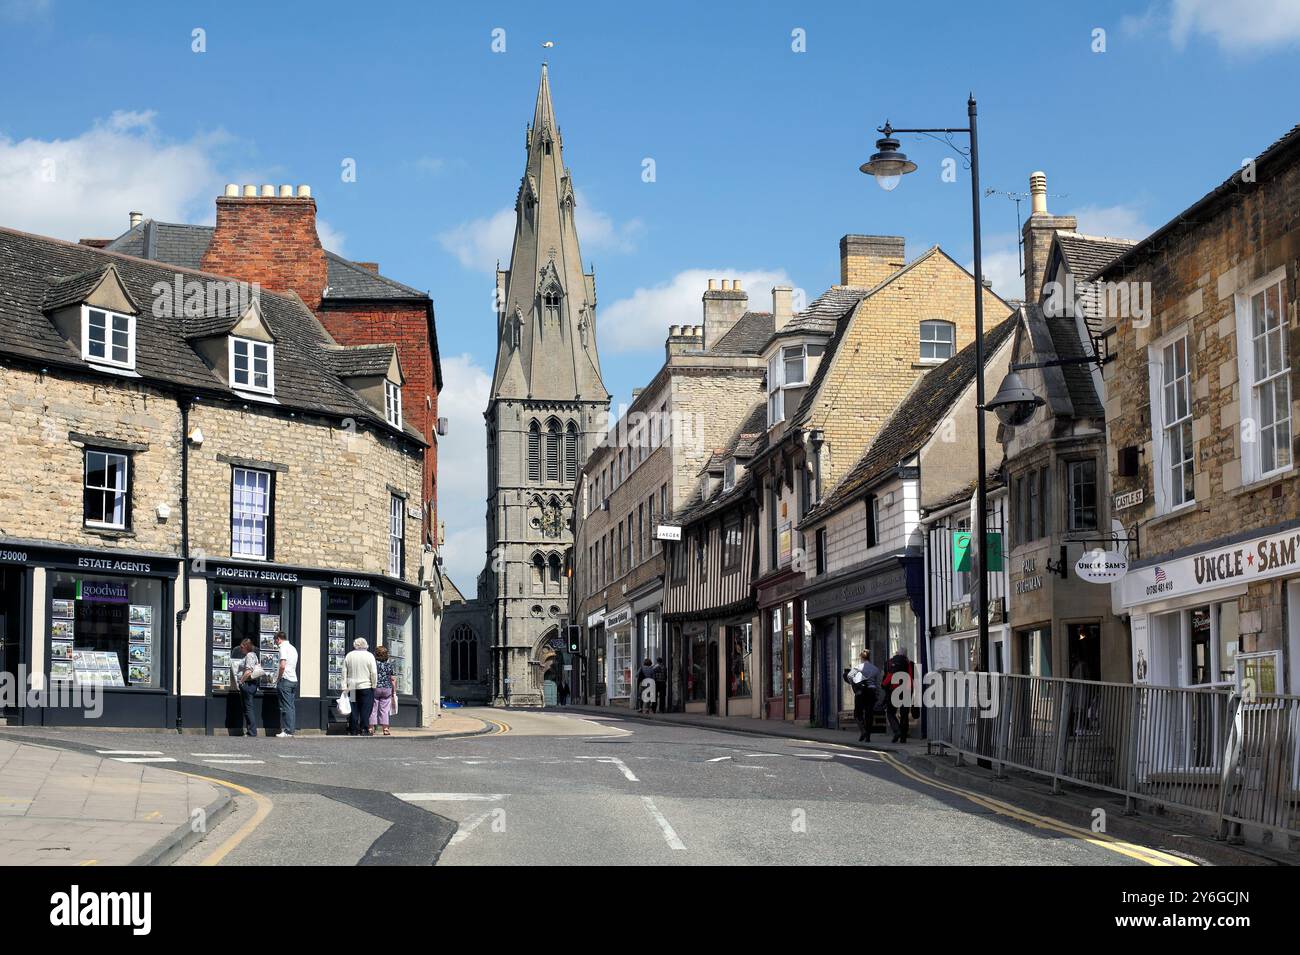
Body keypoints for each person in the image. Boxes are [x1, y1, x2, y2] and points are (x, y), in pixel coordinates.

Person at [843, 649, 882, 742]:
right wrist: (877, 695)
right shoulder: (875, 669)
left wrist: (855, 684)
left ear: (861, 657)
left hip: (860, 692)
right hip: (871, 691)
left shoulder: (858, 667)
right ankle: (868, 735)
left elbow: (849, 676)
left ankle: (863, 730)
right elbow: (878, 683)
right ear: (869, 657)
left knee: (858, 713)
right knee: (869, 713)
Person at [342, 637, 378, 737]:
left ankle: (353, 729)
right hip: (366, 686)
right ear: (366, 645)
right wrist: (374, 684)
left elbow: (344, 672)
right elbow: (374, 672)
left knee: (354, 708)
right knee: (365, 709)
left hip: (352, 686)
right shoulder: (369, 656)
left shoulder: (349, 655)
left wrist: (344, 686)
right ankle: (364, 729)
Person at [230, 638, 262, 737]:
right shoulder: (252, 655)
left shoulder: (249, 655)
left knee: (248, 708)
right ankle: (250, 731)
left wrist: (241, 681)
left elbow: (248, 671)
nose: (241, 649)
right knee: (247, 708)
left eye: (242, 647)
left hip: (248, 684)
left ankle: (252, 732)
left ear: (246, 647)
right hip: (250, 684)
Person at [882, 649, 915, 743]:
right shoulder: (911, 664)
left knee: (890, 712)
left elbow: (889, 675)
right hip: (907, 690)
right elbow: (914, 678)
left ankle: (897, 731)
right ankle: (903, 737)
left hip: (894, 689)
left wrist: (884, 685)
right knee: (904, 714)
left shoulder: (891, 662)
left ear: (897, 654)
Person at [274, 633, 298, 738]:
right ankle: (291, 730)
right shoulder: (293, 648)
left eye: (275, 640)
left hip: (285, 680)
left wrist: (278, 678)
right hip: (293, 679)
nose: (275, 642)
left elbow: (282, 665)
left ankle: (288, 731)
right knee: (291, 706)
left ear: (278, 639)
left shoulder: (283, 648)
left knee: (285, 707)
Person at [370, 644, 395, 736]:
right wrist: (394, 691)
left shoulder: (374, 664)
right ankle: (385, 729)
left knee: (373, 708)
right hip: (387, 688)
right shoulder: (389, 665)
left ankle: (371, 728)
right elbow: (392, 679)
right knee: (384, 710)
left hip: (376, 687)